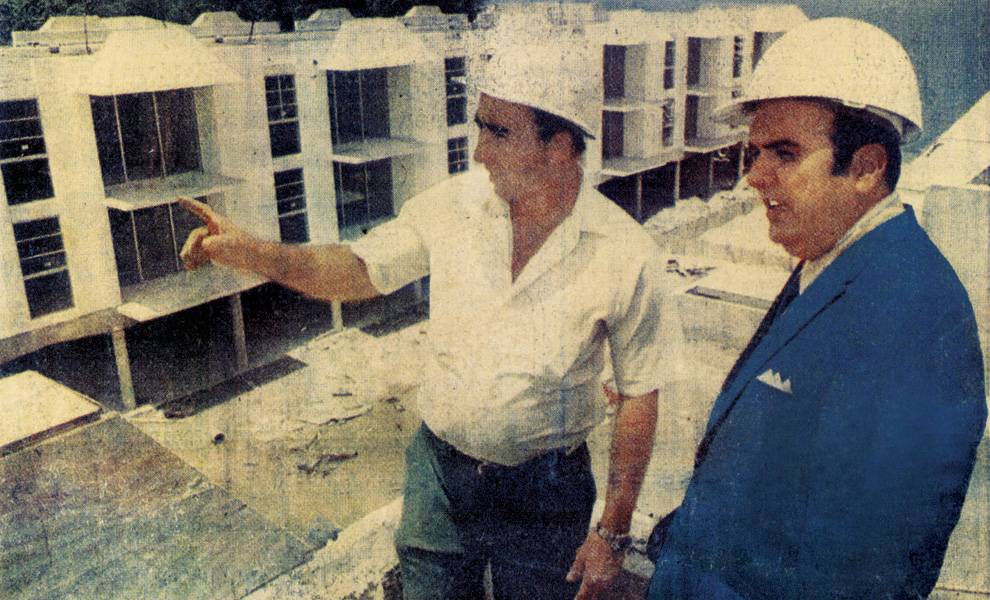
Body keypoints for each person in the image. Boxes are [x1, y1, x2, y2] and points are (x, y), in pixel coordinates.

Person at [181, 43, 680, 600]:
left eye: (499, 133)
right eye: (480, 129)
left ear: (561, 146)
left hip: (547, 494)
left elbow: (639, 393)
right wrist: (253, 252)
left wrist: (612, 533)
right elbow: (358, 270)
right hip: (440, 476)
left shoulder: (625, 252)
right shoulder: (453, 208)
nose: (479, 154)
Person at [646, 18, 987, 599]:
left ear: (866, 168)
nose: (754, 177)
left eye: (784, 153)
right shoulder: (829, 261)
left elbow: (874, 569)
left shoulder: (913, 314)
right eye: (755, 153)